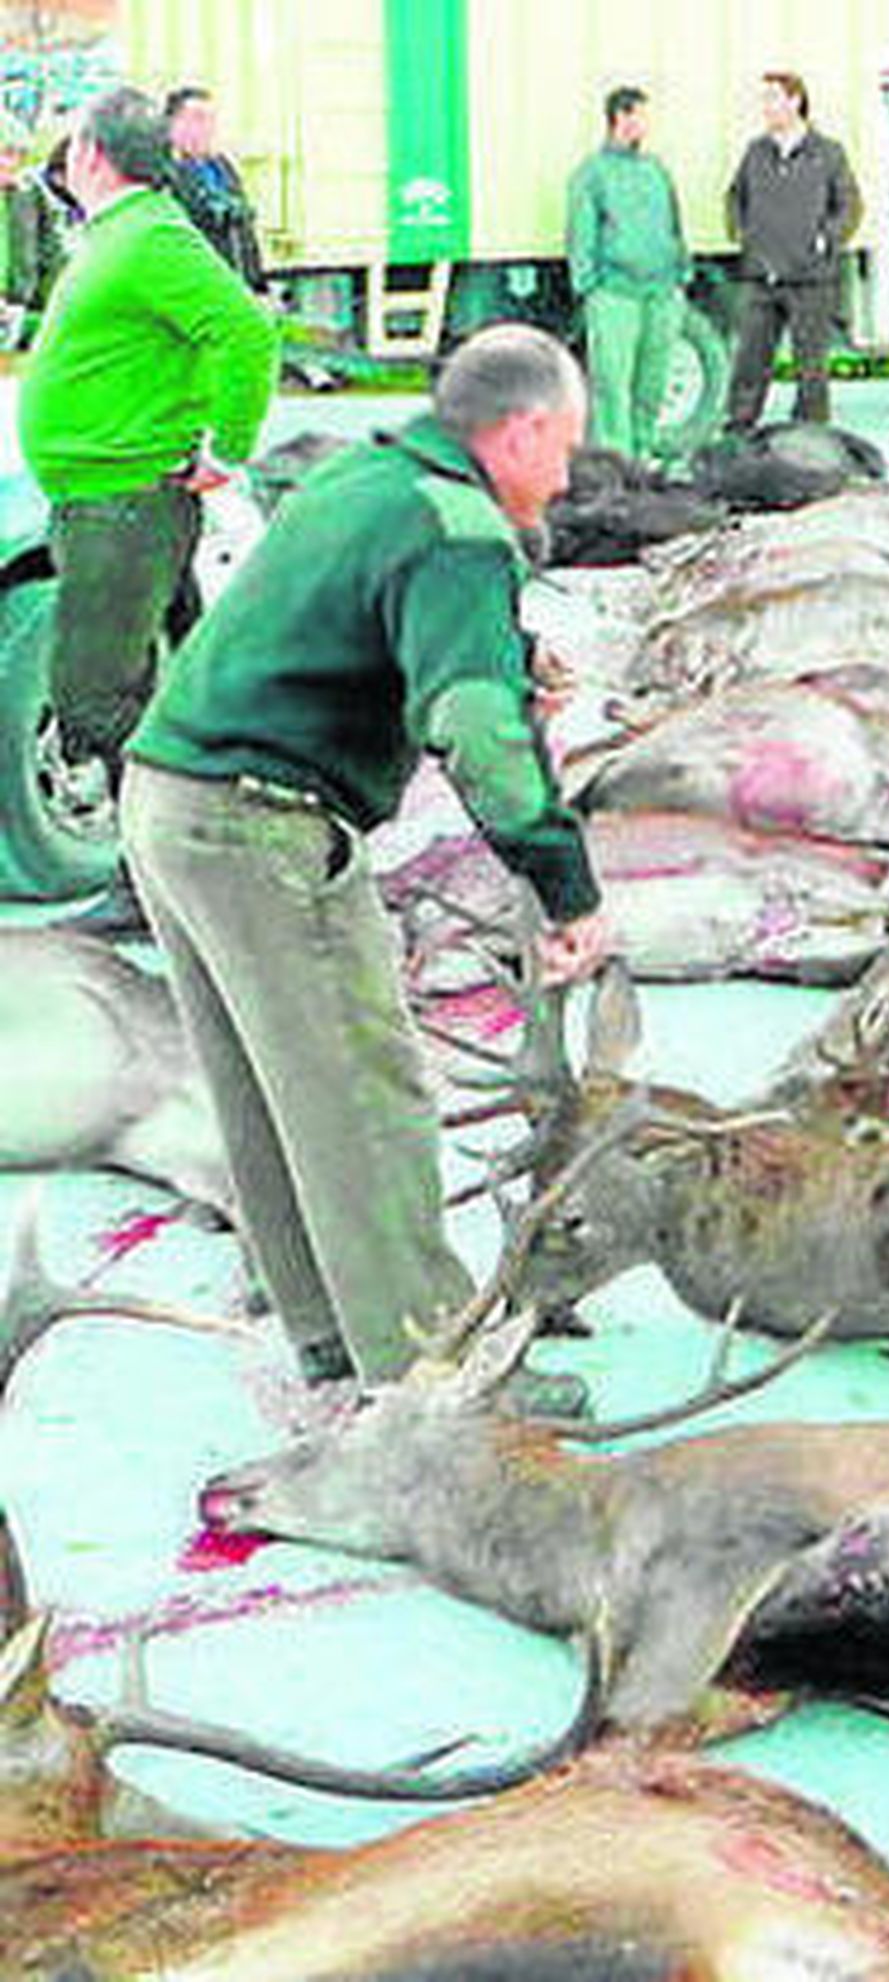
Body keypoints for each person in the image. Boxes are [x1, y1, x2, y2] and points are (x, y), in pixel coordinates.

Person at [121, 324, 611, 1390]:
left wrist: (501, 648)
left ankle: (334, 1334)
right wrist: (565, 884)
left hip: (167, 800)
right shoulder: (457, 528)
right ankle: (437, 1371)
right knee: (363, 1090)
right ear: (521, 432)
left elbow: (352, 616)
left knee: (268, 1092)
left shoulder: (367, 474)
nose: (569, 474)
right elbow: (478, 734)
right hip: (259, 825)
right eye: (566, 445)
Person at [17, 86, 277, 822]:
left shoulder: (152, 237)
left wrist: (228, 449)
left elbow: (248, 334)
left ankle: (178, 842)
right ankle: (174, 862)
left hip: (126, 502)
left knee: (93, 698)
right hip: (109, 498)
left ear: (90, 154)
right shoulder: (122, 233)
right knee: (160, 689)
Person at [724, 70, 861, 431]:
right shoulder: (756, 152)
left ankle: (812, 436)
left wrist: (825, 240)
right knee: (750, 361)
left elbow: (849, 206)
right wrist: (744, 236)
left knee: (810, 367)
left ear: (795, 100)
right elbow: (736, 198)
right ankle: (737, 431)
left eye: (772, 98)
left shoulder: (827, 153)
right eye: (763, 99)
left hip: (810, 279)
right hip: (762, 276)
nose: (765, 107)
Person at [565, 85, 691, 461]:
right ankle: (615, 465)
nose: (646, 124)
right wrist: (588, 286)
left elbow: (674, 223)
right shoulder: (592, 173)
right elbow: (580, 234)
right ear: (621, 117)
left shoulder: (656, 170)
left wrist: (681, 273)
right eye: (641, 115)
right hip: (615, 295)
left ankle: (643, 456)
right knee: (612, 386)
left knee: (651, 383)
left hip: (662, 293)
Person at [164, 84, 266, 290]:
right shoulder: (164, 173)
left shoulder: (221, 166)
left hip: (235, 283)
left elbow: (244, 228)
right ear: (174, 123)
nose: (207, 127)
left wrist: (257, 283)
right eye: (198, 118)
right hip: (196, 285)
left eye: (211, 119)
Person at [0, 119, 67, 348]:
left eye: (19, 155)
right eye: (6, 153)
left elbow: (54, 254)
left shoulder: (29, 193)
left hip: (22, 312)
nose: (11, 163)